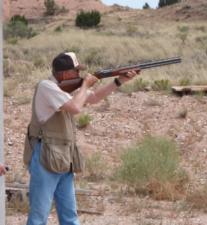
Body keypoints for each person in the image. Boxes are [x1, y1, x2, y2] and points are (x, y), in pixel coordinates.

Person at [23, 52, 139, 225]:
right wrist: (85, 85)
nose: (79, 75)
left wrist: (119, 80)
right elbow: (75, 107)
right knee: (39, 217)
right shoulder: (47, 87)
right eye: (76, 72)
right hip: (45, 156)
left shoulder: (66, 86)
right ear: (64, 74)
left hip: (64, 156)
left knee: (70, 216)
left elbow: (94, 97)